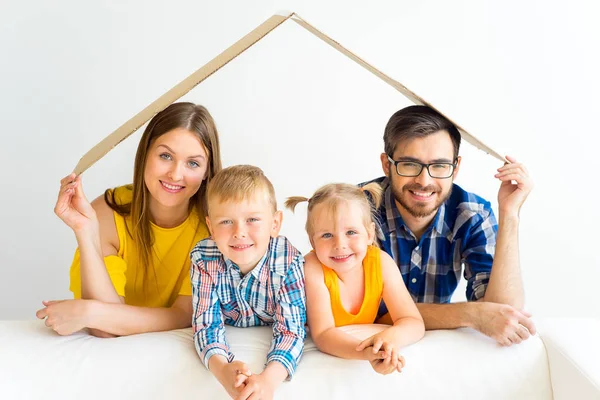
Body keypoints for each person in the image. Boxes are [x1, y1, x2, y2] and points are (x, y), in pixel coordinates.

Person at [36, 102, 222, 338]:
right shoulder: (107, 212)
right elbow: (104, 332)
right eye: (165, 156)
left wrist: (91, 312)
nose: (175, 174)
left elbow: (184, 316)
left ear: (207, 171)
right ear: (145, 155)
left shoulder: (214, 226)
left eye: (193, 163)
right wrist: (85, 231)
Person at [363, 105, 535, 346]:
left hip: (439, 349)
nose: (424, 181)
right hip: (375, 349)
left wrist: (510, 213)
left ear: (456, 168)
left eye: (439, 166)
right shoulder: (358, 210)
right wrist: (472, 314)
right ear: (386, 164)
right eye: (410, 164)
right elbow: (371, 316)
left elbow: (504, 314)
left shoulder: (472, 214)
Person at [191, 165, 306, 400]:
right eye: (225, 222)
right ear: (211, 226)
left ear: (275, 224)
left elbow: (291, 331)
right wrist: (222, 368)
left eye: (252, 219)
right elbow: (206, 324)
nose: (239, 232)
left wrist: (268, 381)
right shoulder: (203, 258)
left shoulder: (287, 260)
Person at [286, 183, 424, 375]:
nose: (340, 245)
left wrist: (388, 339)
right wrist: (367, 353)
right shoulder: (312, 268)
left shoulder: (381, 263)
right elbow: (323, 334)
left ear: (369, 234)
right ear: (312, 241)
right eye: (327, 235)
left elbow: (413, 321)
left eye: (351, 232)